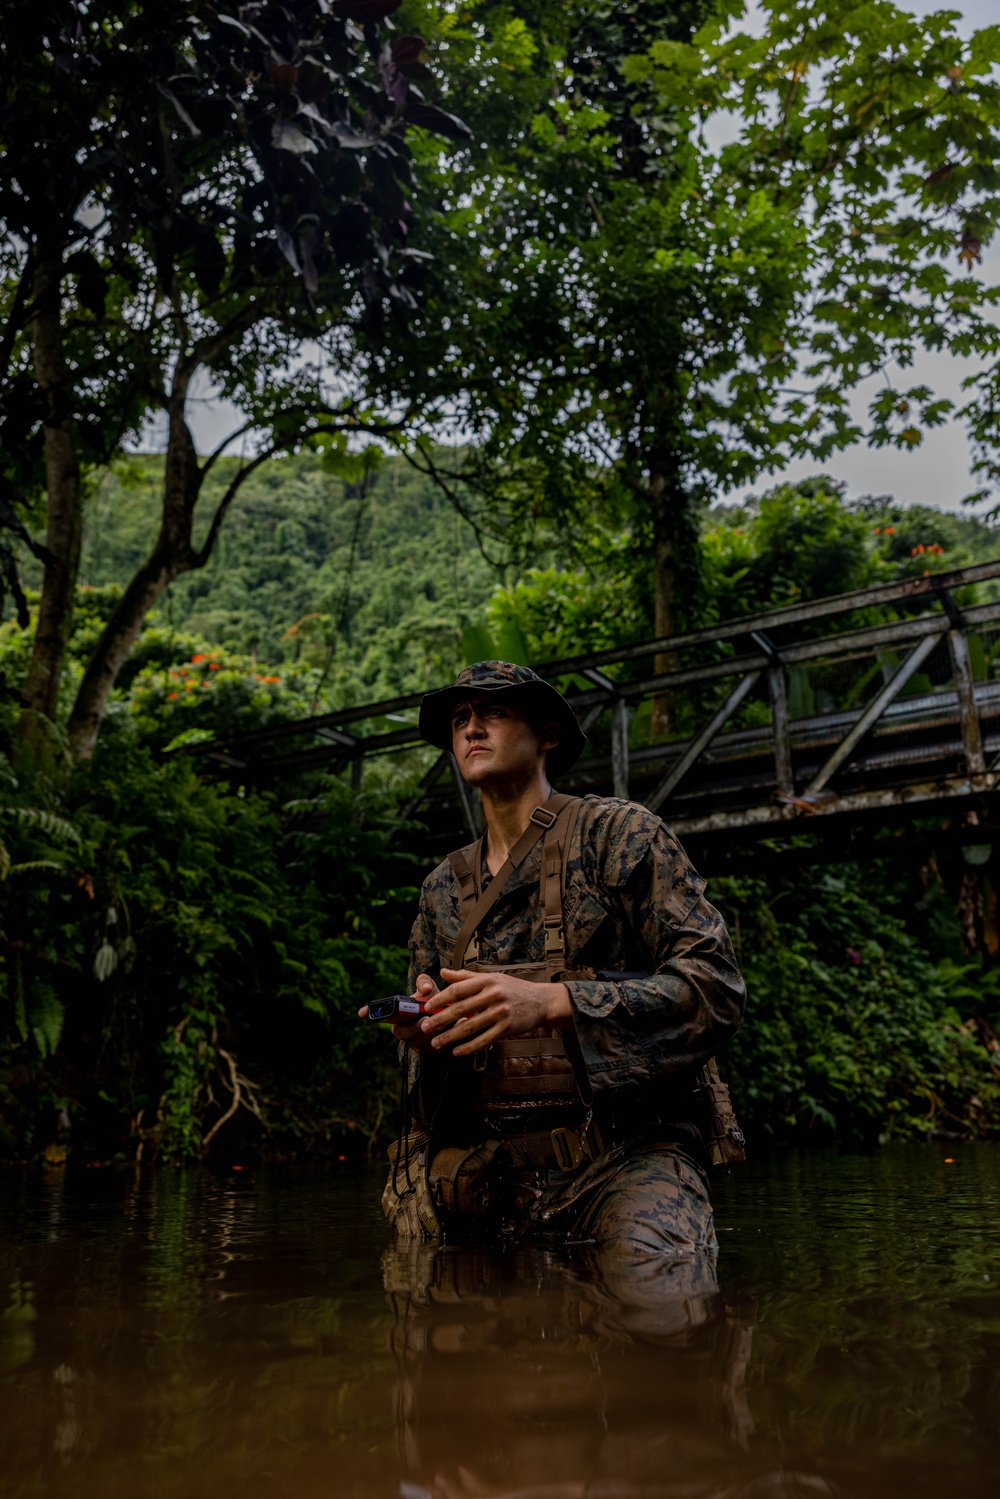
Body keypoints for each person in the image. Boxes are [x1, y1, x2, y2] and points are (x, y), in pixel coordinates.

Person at [361, 661, 746, 1254]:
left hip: (624, 1159)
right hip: (487, 1173)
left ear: (548, 735)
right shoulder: (442, 889)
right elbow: (426, 1098)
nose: (470, 729)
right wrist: (428, 1033)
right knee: (421, 1302)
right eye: (460, 719)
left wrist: (555, 1002)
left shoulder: (618, 836)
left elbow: (715, 989)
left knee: (660, 1295)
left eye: (492, 712)